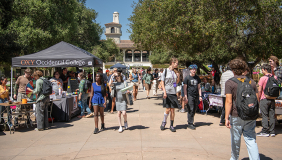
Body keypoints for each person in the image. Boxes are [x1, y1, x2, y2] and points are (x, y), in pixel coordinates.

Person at [225, 59, 260, 160]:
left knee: (235, 140)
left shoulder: (230, 82)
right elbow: (256, 99)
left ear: (233, 70)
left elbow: (229, 102)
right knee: (251, 139)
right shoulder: (251, 81)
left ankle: (234, 158)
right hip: (250, 115)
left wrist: (226, 117)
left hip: (236, 115)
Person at [257, 64, 277, 137]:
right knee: (272, 115)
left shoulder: (262, 78)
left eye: (262, 70)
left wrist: (258, 99)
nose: (262, 71)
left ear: (265, 70)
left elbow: (259, 90)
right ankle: (272, 131)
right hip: (272, 99)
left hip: (264, 99)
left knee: (264, 115)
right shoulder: (275, 77)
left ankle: (265, 130)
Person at [160, 58, 179, 132]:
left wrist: (178, 77)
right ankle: (164, 122)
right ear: (172, 63)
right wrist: (164, 92)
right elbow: (162, 82)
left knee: (173, 110)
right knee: (167, 109)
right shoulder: (165, 71)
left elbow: (176, 83)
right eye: (176, 63)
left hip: (173, 92)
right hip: (167, 92)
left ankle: (171, 125)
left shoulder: (175, 72)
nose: (177, 64)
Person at [184, 64, 202, 130]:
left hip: (196, 95)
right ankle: (190, 123)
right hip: (190, 95)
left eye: (195, 69)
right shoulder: (187, 78)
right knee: (190, 109)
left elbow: (199, 87)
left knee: (194, 109)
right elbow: (185, 88)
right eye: (193, 69)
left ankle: (190, 121)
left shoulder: (197, 78)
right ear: (190, 70)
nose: (194, 71)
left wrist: (200, 95)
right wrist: (185, 96)